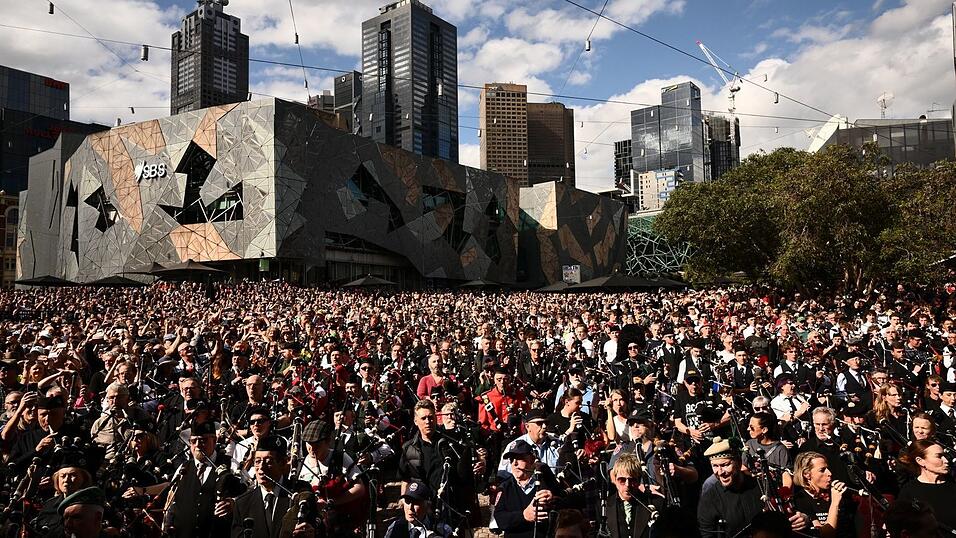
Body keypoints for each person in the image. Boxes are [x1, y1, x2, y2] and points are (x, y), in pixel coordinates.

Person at [697, 437, 808, 538]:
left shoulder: (762, 485)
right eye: (715, 466)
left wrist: (803, 518)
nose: (720, 472)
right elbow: (707, 533)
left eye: (725, 465)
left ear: (739, 462)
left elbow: (786, 515)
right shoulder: (710, 496)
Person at [491, 440, 565, 538]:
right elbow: (500, 519)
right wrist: (523, 516)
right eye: (512, 459)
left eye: (519, 458)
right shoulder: (505, 487)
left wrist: (553, 500)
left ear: (532, 460)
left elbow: (564, 505)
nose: (514, 463)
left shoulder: (545, 482)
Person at [790, 451, 854, 538]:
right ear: (806, 474)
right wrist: (835, 503)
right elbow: (825, 535)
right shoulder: (800, 499)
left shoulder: (834, 493)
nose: (829, 473)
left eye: (827, 468)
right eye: (822, 470)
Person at [896, 440, 956, 533]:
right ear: (920, 461)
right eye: (939, 456)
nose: (946, 461)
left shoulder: (953, 485)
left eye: (945, 456)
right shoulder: (909, 491)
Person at [606, 454, 655, 538]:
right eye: (622, 480)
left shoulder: (654, 503)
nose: (627, 485)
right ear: (614, 480)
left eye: (632, 480)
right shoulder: (604, 507)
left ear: (639, 480)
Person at [384, 479, 453, 538]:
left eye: (416, 503)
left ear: (427, 505)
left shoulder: (442, 530)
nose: (410, 508)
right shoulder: (395, 527)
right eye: (407, 502)